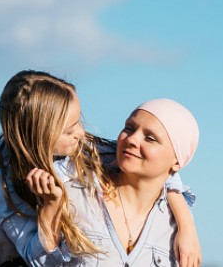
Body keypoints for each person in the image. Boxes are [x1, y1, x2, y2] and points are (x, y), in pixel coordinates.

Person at [0, 70, 200, 266]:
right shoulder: (7, 181)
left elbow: (166, 174)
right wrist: (50, 208)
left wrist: (187, 226)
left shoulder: (89, 154)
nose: (81, 134)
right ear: (39, 135)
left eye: (78, 122)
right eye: (68, 129)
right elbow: (39, 259)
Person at [53, 98, 200, 266]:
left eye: (150, 138)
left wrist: (186, 226)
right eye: (129, 128)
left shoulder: (174, 229)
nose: (132, 139)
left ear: (177, 162)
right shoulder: (70, 194)